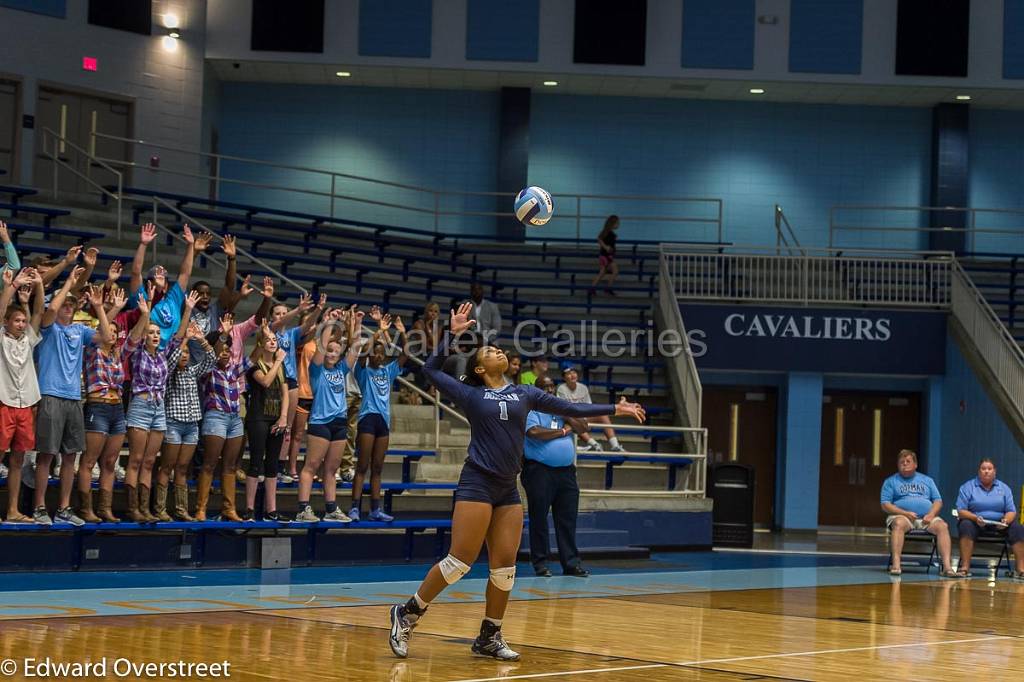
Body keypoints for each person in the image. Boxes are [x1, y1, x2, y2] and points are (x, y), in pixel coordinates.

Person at [388, 303, 645, 661]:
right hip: (477, 481)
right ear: (479, 368)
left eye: (499, 349)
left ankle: (489, 636)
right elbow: (429, 369)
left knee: (505, 569)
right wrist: (452, 334)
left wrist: (614, 410)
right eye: (490, 351)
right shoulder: (471, 394)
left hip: (508, 487)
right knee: (458, 563)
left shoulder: (525, 394)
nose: (498, 351)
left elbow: (566, 408)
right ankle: (408, 612)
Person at [123, 289, 200, 522]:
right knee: (136, 459)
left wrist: (187, 309)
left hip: (159, 410)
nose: (156, 336)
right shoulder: (136, 353)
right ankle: (133, 507)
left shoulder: (163, 355)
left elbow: (177, 338)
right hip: (140, 405)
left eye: (158, 333)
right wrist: (145, 315)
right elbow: (132, 340)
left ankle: (146, 508)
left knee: (149, 461)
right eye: (152, 333)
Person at [34, 265, 92, 526]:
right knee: (46, 454)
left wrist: (100, 307)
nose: (68, 308)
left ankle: (64, 508)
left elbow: (105, 336)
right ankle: (39, 508)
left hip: (74, 397)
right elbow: (49, 313)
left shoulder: (79, 330)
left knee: (70, 456)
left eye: (72, 305)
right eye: (65, 304)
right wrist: (68, 283)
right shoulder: (47, 328)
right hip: (50, 394)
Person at [295, 307, 363, 522]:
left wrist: (358, 324)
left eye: (336, 351)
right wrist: (330, 323)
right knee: (311, 466)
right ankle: (303, 509)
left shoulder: (340, 370)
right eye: (329, 351)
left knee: (331, 469)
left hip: (339, 423)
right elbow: (321, 347)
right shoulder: (317, 370)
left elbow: (355, 349)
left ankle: (331, 508)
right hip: (320, 423)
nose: (332, 353)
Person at [522, 375, 589, 578]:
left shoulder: (562, 409)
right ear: (536, 390)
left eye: (552, 386)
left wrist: (566, 414)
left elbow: (583, 427)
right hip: (539, 471)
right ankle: (541, 564)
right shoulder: (530, 409)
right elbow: (534, 432)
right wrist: (562, 431)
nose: (549, 390)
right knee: (539, 519)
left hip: (566, 472)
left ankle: (571, 563)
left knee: (567, 519)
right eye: (544, 387)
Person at [350, 312, 409, 522]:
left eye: (381, 353)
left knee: (377, 468)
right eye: (376, 353)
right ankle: (354, 508)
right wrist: (380, 331)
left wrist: (402, 333)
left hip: (383, 422)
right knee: (362, 466)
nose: (378, 355)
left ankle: (375, 509)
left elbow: (407, 353)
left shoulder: (389, 371)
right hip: (367, 419)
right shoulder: (363, 371)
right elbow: (364, 351)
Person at [80, 285, 128, 523]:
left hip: (117, 408)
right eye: (108, 329)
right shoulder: (93, 350)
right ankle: (85, 508)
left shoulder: (117, 355)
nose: (112, 334)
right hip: (97, 405)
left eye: (115, 331)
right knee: (89, 460)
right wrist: (104, 308)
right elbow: (100, 331)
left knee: (110, 462)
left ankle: (105, 508)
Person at [161, 319, 216, 521]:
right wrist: (184, 340)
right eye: (182, 353)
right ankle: (160, 508)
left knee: (183, 468)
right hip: (173, 424)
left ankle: (181, 509)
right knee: (167, 466)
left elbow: (211, 359)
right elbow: (172, 359)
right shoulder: (167, 371)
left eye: (186, 353)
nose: (184, 356)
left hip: (192, 425)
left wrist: (201, 340)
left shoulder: (193, 371)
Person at [197, 317, 251, 522]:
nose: (226, 352)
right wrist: (223, 335)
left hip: (234, 419)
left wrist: (263, 340)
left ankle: (229, 509)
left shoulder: (234, 370)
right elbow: (213, 352)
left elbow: (252, 360)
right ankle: (201, 509)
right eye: (222, 349)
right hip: (215, 417)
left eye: (228, 349)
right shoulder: (207, 369)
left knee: (230, 466)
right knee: (210, 463)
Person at [0, 267, 43, 523]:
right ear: (7, 322)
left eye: (22, 321)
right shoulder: (1, 338)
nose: (21, 324)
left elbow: (38, 313)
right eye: (16, 321)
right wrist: (12, 287)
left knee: (18, 460)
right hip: (4, 402)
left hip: (26, 404)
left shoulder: (28, 339)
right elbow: (1, 308)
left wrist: (38, 288)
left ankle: (13, 510)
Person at [880, 449, 957, 577]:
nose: (905, 464)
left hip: (927, 518)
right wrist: (904, 513)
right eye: (901, 462)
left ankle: (947, 568)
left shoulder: (927, 480)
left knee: (942, 526)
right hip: (902, 517)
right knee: (898, 524)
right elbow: (885, 505)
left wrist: (931, 514)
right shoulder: (890, 481)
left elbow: (938, 501)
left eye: (908, 461)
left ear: (915, 464)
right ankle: (896, 565)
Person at [243, 322, 290, 522]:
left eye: (274, 340)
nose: (273, 342)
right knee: (256, 463)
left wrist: (284, 417)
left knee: (272, 465)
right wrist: (279, 361)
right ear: (261, 344)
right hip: (257, 417)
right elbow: (266, 381)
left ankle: (271, 510)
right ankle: (249, 509)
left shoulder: (281, 367)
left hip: (276, 418)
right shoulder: (253, 364)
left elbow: (285, 393)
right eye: (269, 340)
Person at [954, 458, 1024, 579]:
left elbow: (1011, 511)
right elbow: (960, 511)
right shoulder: (967, 487)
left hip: (999, 524)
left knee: (1018, 528)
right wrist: (975, 518)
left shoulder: (1004, 488)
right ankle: (965, 568)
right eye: (983, 469)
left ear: (994, 471)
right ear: (979, 471)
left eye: (989, 469)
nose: (986, 471)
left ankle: (1021, 569)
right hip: (975, 523)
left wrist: (1005, 521)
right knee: (965, 525)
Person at [557, 366, 625, 452]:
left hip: (584, 415)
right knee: (574, 421)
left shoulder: (583, 387)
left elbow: (589, 406)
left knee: (603, 415)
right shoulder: (561, 389)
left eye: (574, 372)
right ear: (564, 377)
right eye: (568, 373)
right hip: (570, 418)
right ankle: (594, 444)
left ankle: (615, 445)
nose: (572, 375)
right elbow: (564, 409)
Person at [589, 214, 620, 296]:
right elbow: (599, 239)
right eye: (617, 223)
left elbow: (600, 239)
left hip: (606, 256)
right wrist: (606, 247)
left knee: (602, 272)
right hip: (606, 257)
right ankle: (607, 288)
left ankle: (593, 288)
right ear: (612, 223)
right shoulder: (608, 233)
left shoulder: (609, 233)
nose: (618, 225)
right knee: (615, 271)